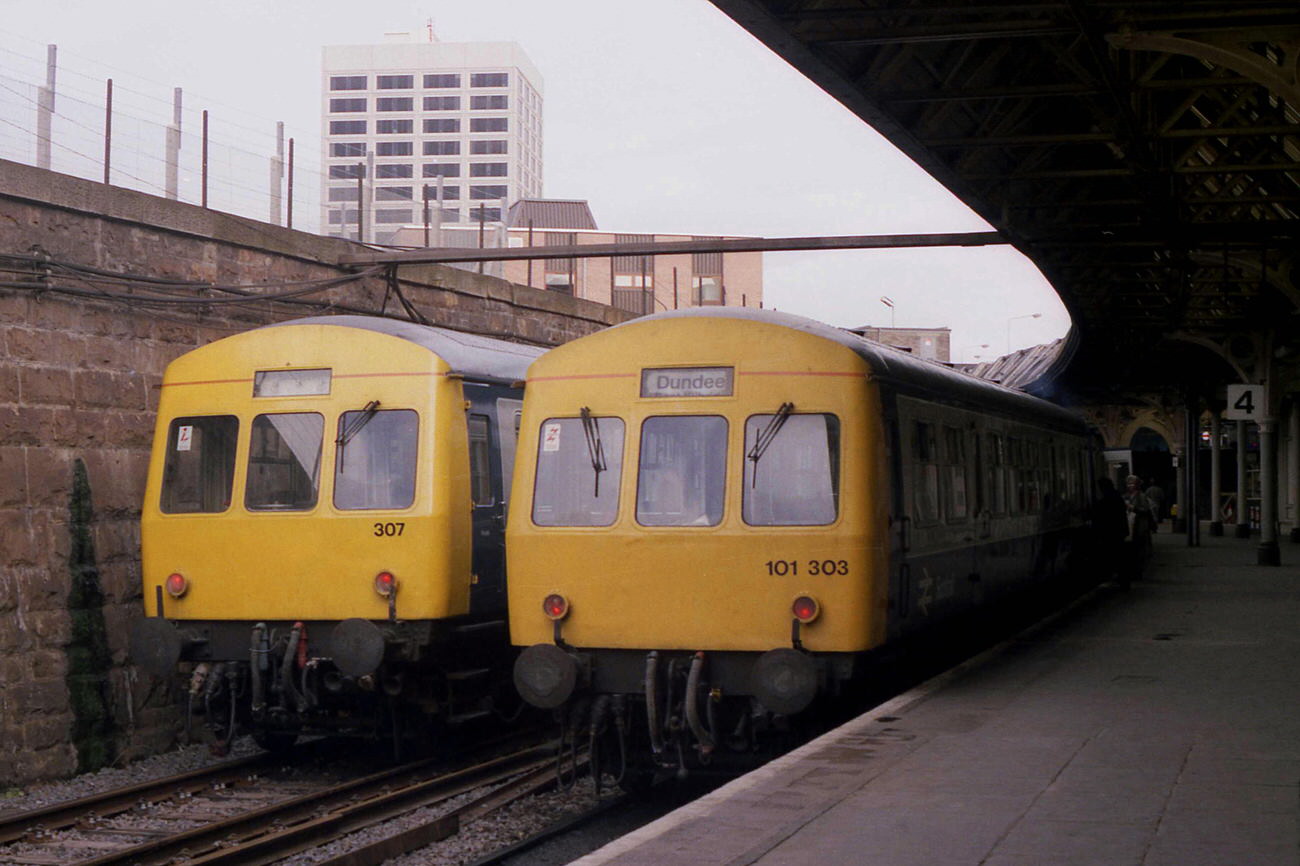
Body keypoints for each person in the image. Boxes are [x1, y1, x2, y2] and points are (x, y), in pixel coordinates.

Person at [1090, 478, 1128, 584]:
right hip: (1118, 531)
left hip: (1111, 532)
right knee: (1119, 556)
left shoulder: (1107, 499)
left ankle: (1118, 578)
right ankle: (1123, 579)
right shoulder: (1117, 497)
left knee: (1114, 555)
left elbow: (1100, 512)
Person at [1123, 475, 1154, 579]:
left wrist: (1133, 508)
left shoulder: (1141, 496)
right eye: (1128, 483)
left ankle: (1138, 572)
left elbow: (1145, 510)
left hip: (1140, 527)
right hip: (1129, 526)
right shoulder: (1125, 496)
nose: (1130, 486)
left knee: (1140, 550)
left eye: (1132, 483)